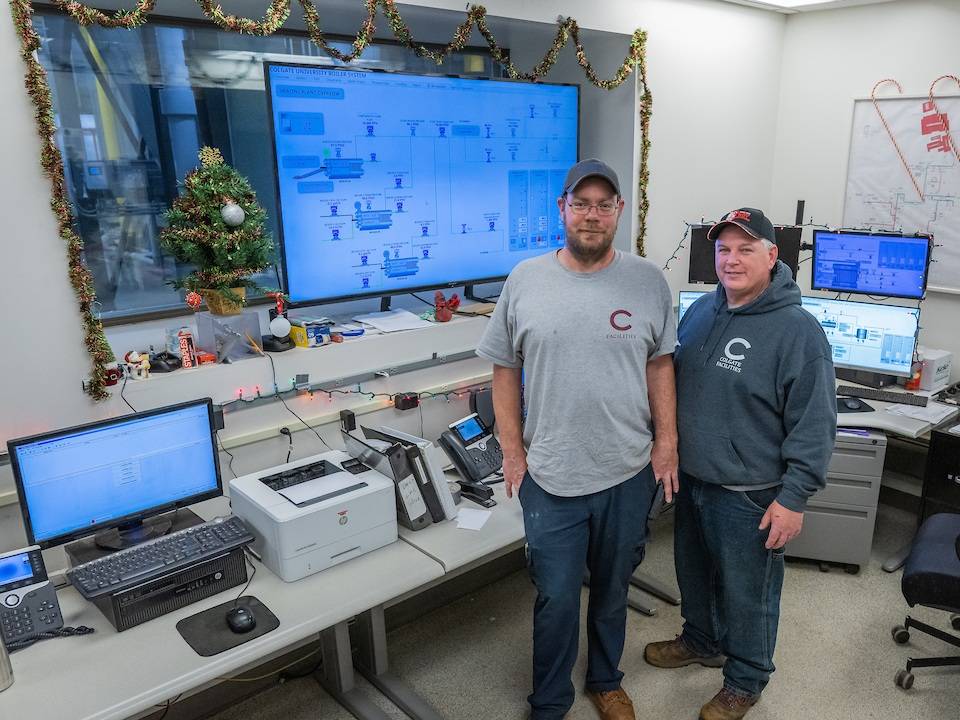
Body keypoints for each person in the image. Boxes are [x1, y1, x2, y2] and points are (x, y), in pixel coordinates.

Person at [477, 159, 679, 720]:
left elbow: (660, 365)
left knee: (613, 589)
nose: (592, 215)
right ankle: (549, 699)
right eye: (581, 203)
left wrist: (667, 443)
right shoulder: (526, 279)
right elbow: (502, 369)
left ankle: (605, 679)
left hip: (627, 468)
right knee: (557, 596)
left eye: (603, 204)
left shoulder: (647, 280)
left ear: (618, 211)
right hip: (552, 471)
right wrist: (512, 451)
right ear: (563, 209)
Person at [644, 208, 837, 720]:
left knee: (749, 595)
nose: (731, 260)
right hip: (694, 481)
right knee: (695, 574)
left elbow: (815, 424)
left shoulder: (798, 332)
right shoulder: (702, 311)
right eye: (724, 249)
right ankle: (701, 640)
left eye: (745, 249)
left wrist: (793, 499)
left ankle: (746, 680)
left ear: (772, 256)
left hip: (751, 492)